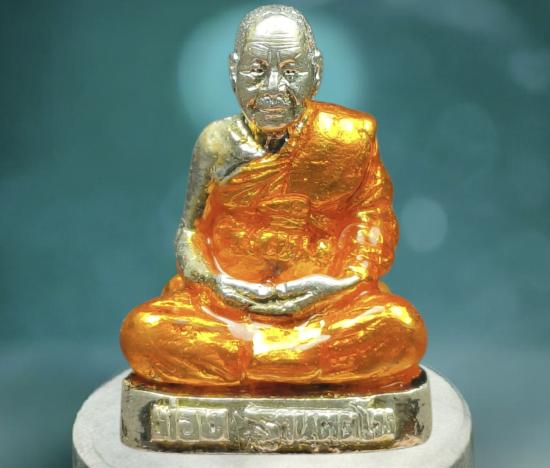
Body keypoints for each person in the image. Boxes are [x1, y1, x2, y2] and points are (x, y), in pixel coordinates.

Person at [120, 5, 427, 388]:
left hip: (325, 308)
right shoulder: (216, 144)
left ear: (316, 72)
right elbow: (190, 232)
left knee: (401, 328)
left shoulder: (348, 138)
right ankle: (299, 360)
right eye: (257, 70)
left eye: (291, 71)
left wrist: (337, 285)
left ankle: (249, 360)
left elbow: (373, 221)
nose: (273, 88)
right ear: (233, 72)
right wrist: (217, 285)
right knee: (143, 330)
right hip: (228, 312)